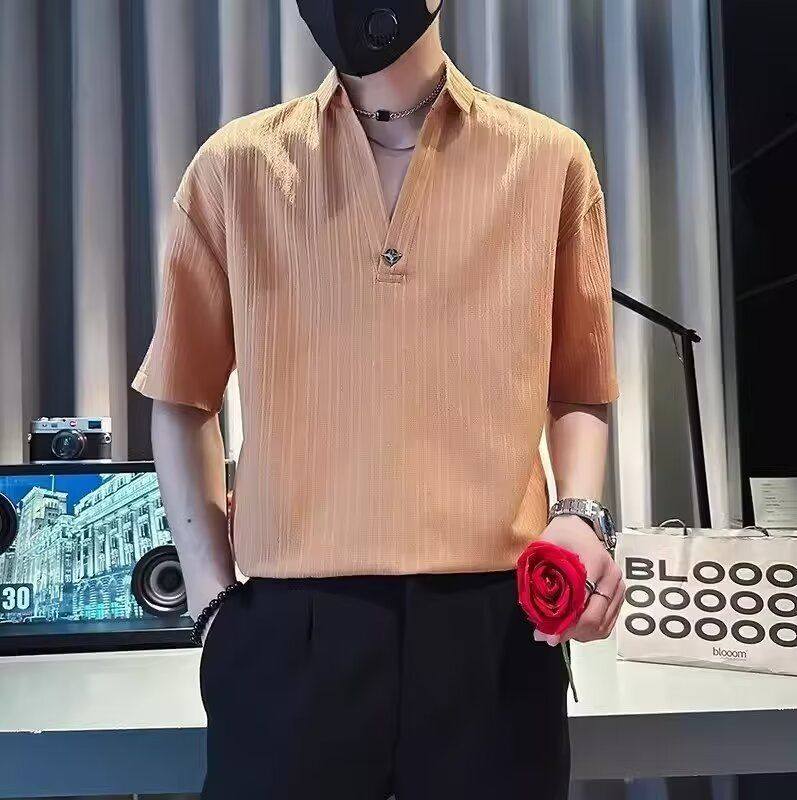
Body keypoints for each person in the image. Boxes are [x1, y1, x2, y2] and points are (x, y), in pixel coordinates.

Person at [131, 1, 624, 797]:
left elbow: (579, 384)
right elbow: (183, 396)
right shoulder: (236, 167)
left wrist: (578, 514)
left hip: (493, 631)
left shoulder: (548, 161)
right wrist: (213, 607)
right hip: (289, 635)